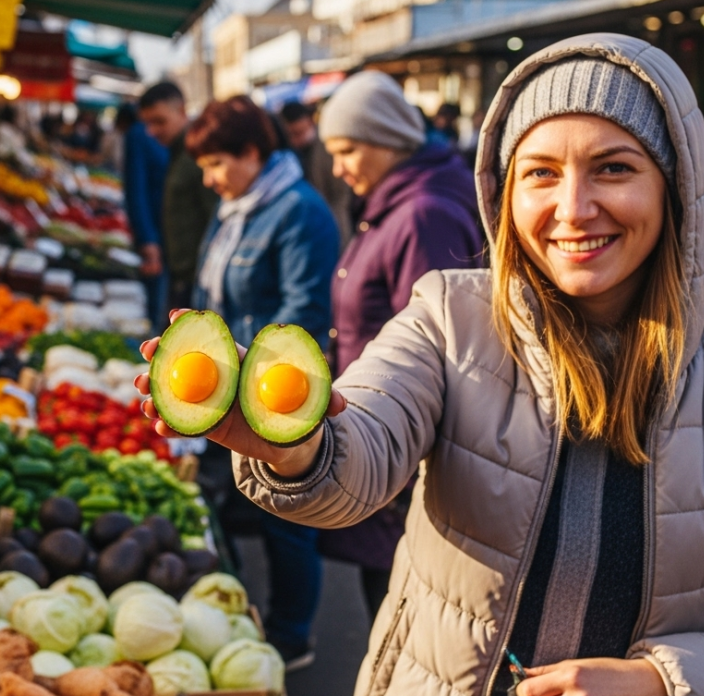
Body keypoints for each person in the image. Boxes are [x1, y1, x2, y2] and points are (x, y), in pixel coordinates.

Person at [135, 33, 704, 696]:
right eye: (540, 173)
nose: (573, 208)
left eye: (614, 168)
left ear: (676, 188)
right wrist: (289, 446)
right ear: (505, 195)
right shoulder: (450, 316)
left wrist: (662, 683)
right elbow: (361, 450)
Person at [314, 70, 484, 618]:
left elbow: (440, 351)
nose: (338, 168)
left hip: (404, 463)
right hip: (385, 445)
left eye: (347, 151)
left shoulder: (422, 215)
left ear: (386, 142)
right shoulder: (398, 206)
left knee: (400, 617)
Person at [188, 96, 340, 670]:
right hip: (226, 389)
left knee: (289, 519)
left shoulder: (300, 211)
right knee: (253, 505)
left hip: (270, 393)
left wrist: (237, 366)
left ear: (252, 153)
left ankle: (292, 635)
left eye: (216, 164)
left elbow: (303, 313)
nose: (209, 179)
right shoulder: (238, 208)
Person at [138, 82, 219, 310]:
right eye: (148, 123)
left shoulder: (197, 155)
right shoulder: (175, 152)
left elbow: (214, 219)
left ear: (181, 111)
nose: (152, 131)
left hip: (198, 281)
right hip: (181, 275)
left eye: (159, 121)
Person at [118, 104, 170, 327]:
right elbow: (136, 188)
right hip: (157, 234)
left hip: (163, 235)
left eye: (159, 122)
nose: (153, 130)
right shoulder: (138, 136)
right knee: (156, 307)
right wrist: (147, 238)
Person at [280, 101, 352, 247]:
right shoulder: (293, 153)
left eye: (299, 132)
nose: (296, 139)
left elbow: (340, 197)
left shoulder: (326, 147)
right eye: (291, 134)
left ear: (310, 121)